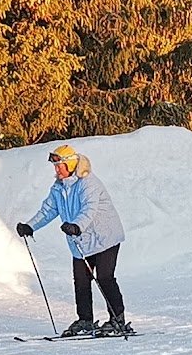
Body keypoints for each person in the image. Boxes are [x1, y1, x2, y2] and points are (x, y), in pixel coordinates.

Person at [16, 142, 130, 337]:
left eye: (59, 165)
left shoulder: (88, 183)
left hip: (104, 238)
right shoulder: (58, 187)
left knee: (104, 278)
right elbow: (48, 210)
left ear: (70, 164)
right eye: (55, 166)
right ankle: (85, 319)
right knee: (81, 281)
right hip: (80, 242)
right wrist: (30, 226)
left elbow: (89, 209)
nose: (56, 169)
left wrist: (77, 225)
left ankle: (117, 319)